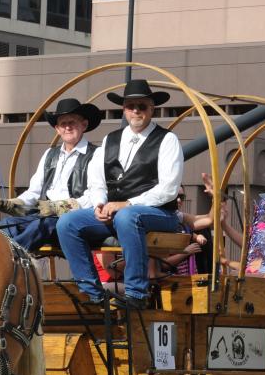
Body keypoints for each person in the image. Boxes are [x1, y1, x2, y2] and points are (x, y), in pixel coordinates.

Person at [56, 79, 184, 309]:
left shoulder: (167, 140)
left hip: (160, 214)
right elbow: (97, 181)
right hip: (117, 214)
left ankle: (136, 293)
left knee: (128, 216)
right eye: (131, 106)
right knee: (67, 223)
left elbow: (168, 189)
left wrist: (126, 204)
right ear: (124, 109)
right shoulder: (110, 140)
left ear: (152, 108)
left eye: (142, 106)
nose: (136, 111)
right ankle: (91, 293)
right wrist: (99, 204)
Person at [0, 97, 102, 251]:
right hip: (44, 215)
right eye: (63, 124)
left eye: (72, 122)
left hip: (72, 218)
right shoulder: (49, 154)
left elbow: (94, 197)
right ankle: (14, 258)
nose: (67, 127)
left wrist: (58, 207)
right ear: (57, 129)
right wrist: (17, 202)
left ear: (84, 125)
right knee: (6, 223)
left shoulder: (96, 154)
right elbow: (34, 191)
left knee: (42, 224)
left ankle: (11, 257)